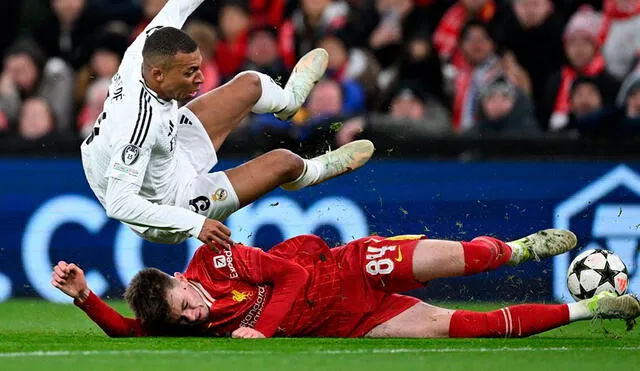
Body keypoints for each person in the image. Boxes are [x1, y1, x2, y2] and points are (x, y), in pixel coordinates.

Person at [80, 0, 375, 248]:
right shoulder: (137, 126)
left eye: (198, 67)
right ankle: (313, 172)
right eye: (190, 72)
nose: (201, 78)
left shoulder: (146, 48)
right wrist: (195, 224)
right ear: (158, 74)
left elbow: (179, 5)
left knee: (250, 83)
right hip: (167, 204)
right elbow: (119, 205)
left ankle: (289, 102)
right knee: (284, 162)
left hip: (167, 152)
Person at [52, 229, 640, 338]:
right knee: (470, 329)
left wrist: (264, 332)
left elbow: (286, 274)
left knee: (466, 261)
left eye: (185, 304)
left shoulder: (216, 260)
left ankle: (516, 249)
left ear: (184, 278)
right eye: (182, 320)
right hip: (354, 321)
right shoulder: (182, 321)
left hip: (349, 267)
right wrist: (83, 297)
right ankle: (594, 309)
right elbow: (126, 330)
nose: (194, 317)